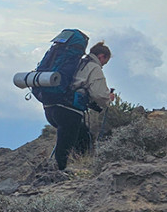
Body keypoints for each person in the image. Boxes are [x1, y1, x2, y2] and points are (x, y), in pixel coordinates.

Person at [44, 41, 115, 171]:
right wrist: (108, 99)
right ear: (101, 56)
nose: (103, 65)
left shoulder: (77, 62)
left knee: (77, 135)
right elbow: (99, 94)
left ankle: (66, 167)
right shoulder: (93, 67)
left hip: (50, 107)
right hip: (68, 110)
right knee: (77, 141)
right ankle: (65, 171)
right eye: (105, 62)